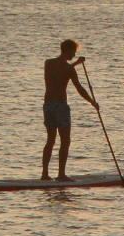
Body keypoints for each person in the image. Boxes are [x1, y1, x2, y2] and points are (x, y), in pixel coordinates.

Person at [41, 39, 98, 181]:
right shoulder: (69, 69)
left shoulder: (48, 63)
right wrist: (92, 102)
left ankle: (44, 174)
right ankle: (61, 175)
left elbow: (61, 71)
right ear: (67, 50)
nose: (73, 55)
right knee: (65, 141)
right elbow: (79, 88)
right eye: (73, 52)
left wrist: (76, 64)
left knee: (50, 140)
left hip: (48, 106)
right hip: (60, 106)